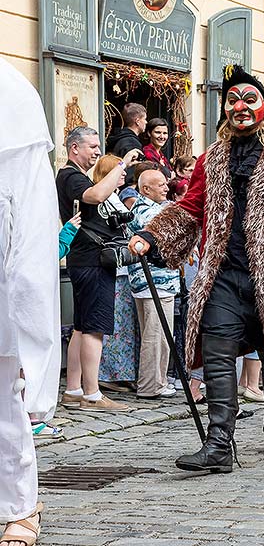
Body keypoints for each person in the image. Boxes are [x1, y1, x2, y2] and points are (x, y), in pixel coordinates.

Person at [128, 65, 264, 473]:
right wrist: (152, 236)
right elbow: (191, 207)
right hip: (223, 274)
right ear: (224, 109)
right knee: (218, 351)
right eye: (233, 100)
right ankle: (219, 442)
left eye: (249, 99)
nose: (240, 106)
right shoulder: (212, 158)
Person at [0, 58, 61, 546]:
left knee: (5, 402)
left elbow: (35, 233)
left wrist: (35, 342)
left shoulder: (12, 96)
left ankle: (20, 506)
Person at [56, 128, 142, 413]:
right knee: (94, 329)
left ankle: (73, 390)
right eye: (91, 146)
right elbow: (94, 195)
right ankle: (93, 395)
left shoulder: (72, 174)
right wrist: (121, 164)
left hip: (86, 260)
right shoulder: (70, 176)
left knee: (81, 328)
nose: (96, 152)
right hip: (91, 260)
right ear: (74, 149)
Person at [127, 169, 179, 398]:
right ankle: (150, 385)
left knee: (161, 334)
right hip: (154, 281)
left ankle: (159, 380)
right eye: (160, 185)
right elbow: (167, 234)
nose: (166, 188)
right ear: (146, 189)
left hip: (160, 281)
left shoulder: (158, 208)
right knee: (155, 335)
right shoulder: (145, 210)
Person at [91, 155, 140, 394]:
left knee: (123, 325)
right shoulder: (105, 199)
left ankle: (122, 372)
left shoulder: (115, 198)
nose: (124, 173)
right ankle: (108, 373)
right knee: (114, 325)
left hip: (123, 267)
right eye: (118, 170)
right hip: (113, 265)